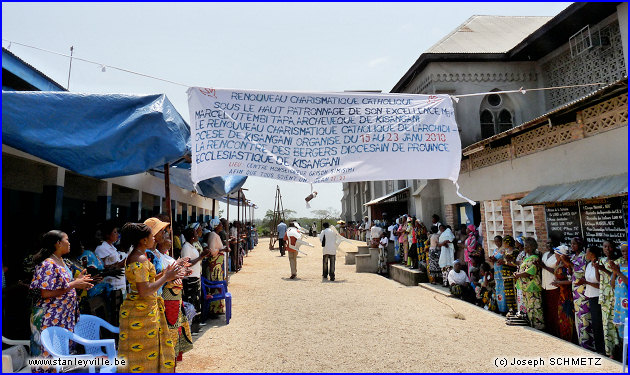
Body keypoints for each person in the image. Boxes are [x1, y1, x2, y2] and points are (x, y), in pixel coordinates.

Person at [118, 223, 187, 372]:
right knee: (145, 355)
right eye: (151, 237)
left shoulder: (135, 256)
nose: (154, 239)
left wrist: (164, 274)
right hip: (142, 314)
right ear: (143, 240)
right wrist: (166, 277)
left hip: (138, 310)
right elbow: (144, 291)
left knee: (138, 355)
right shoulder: (140, 259)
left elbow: (143, 283)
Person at [29, 230, 94, 372]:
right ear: (58, 243)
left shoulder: (63, 262)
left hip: (63, 317)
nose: (70, 243)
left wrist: (79, 281)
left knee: (62, 357)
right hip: (50, 317)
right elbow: (45, 293)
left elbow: (64, 286)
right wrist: (74, 284)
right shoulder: (47, 264)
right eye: (67, 240)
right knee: (48, 357)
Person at [566, 236, 595, 350]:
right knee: (578, 317)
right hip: (575, 291)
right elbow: (571, 272)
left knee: (585, 316)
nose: (572, 246)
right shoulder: (573, 256)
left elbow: (579, 272)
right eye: (571, 244)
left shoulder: (584, 257)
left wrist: (569, 263)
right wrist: (568, 265)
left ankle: (588, 344)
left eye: (574, 244)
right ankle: (581, 342)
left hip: (583, 291)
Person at [95, 221, 127, 321]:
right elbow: (101, 268)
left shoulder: (113, 247)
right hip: (111, 286)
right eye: (114, 232)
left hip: (120, 284)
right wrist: (122, 263)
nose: (117, 235)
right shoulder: (101, 248)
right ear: (107, 235)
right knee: (113, 313)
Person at [180, 227, 210, 334]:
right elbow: (186, 263)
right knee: (192, 301)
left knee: (197, 302)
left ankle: (196, 325)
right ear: (192, 236)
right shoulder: (186, 247)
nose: (198, 235)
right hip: (190, 279)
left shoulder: (191, 246)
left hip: (196, 277)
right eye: (196, 234)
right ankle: (192, 327)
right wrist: (200, 257)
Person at [594, 240, 620, 357]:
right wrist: (596, 268)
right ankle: (610, 351)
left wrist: (603, 269)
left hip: (615, 296)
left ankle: (619, 350)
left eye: (609, 247)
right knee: (606, 325)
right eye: (605, 247)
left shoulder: (619, 261)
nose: (607, 249)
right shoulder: (601, 260)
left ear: (613, 248)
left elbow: (615, 279)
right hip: (604, 296)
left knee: (616, 324)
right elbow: (599, 279)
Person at [513, 237, 544, 330]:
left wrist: (518, 275)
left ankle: (539, 328)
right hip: (527, 288)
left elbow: (530, 271)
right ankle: (533, 326)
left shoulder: (534, 258)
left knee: (535, 308)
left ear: (530, 247)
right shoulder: (527, 258)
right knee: (529, 308)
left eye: (526, 245)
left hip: (532, 288)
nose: (524, 247)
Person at [581, 246, 605, 355]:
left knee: (598, 324)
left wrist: (586, 282)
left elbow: (599, 283)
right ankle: (596, 347)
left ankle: (602, 349)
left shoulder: (598, 264)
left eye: (587, 253)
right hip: (590, 296)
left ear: (592, 254)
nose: (585, 255)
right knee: (593, 324)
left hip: (597, 298)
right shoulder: (588, 264)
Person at [203, 219, 229, 317]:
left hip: (218, 266)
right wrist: (223, 249)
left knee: (218, 285)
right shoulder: (213, 235)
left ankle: (218, 308)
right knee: (216, 286)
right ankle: (214, 309)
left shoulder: (215, 235)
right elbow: (212, 251)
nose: (221, 226)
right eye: (220, 224)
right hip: (215, 267)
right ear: (216, 226)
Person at [536, 236, 561, 337]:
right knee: (548, 310)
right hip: (545, 285)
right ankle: (549, 330)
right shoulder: (545, 254)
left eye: (551, 243)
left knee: (555, 310)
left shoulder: (557, 256)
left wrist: (544, 266)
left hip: (554, 286)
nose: (549, 245)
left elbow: (557, 271)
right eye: (547, 243)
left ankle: (557, 331)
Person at [551, 245, 575, 342]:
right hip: (562, 294)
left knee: (567, 316)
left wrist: (558, 283)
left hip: (567, 295)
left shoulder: (566, 266)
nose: (555, 255)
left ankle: (569, 337)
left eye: (556, 254)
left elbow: (571, 281)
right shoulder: (560, 264)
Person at [610, 242, 628, 343]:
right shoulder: (620, 266)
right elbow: (612, 285)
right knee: (623, 336)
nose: (624, 253)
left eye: (626, 250)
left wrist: (619, 272)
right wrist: (614, 271)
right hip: (620, 305)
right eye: (623, 251)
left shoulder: (620, 269)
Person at [499, 235, 518, 314]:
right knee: (508, 294)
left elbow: (515, 264)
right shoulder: (505, 252)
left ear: (508, 243)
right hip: (505, 276)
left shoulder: (515, 252)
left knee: (513, 292)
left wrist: (505, 262)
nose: (503, 244)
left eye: (504, 242)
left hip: (512, 275)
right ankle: (511, 309)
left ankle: (516, 309)